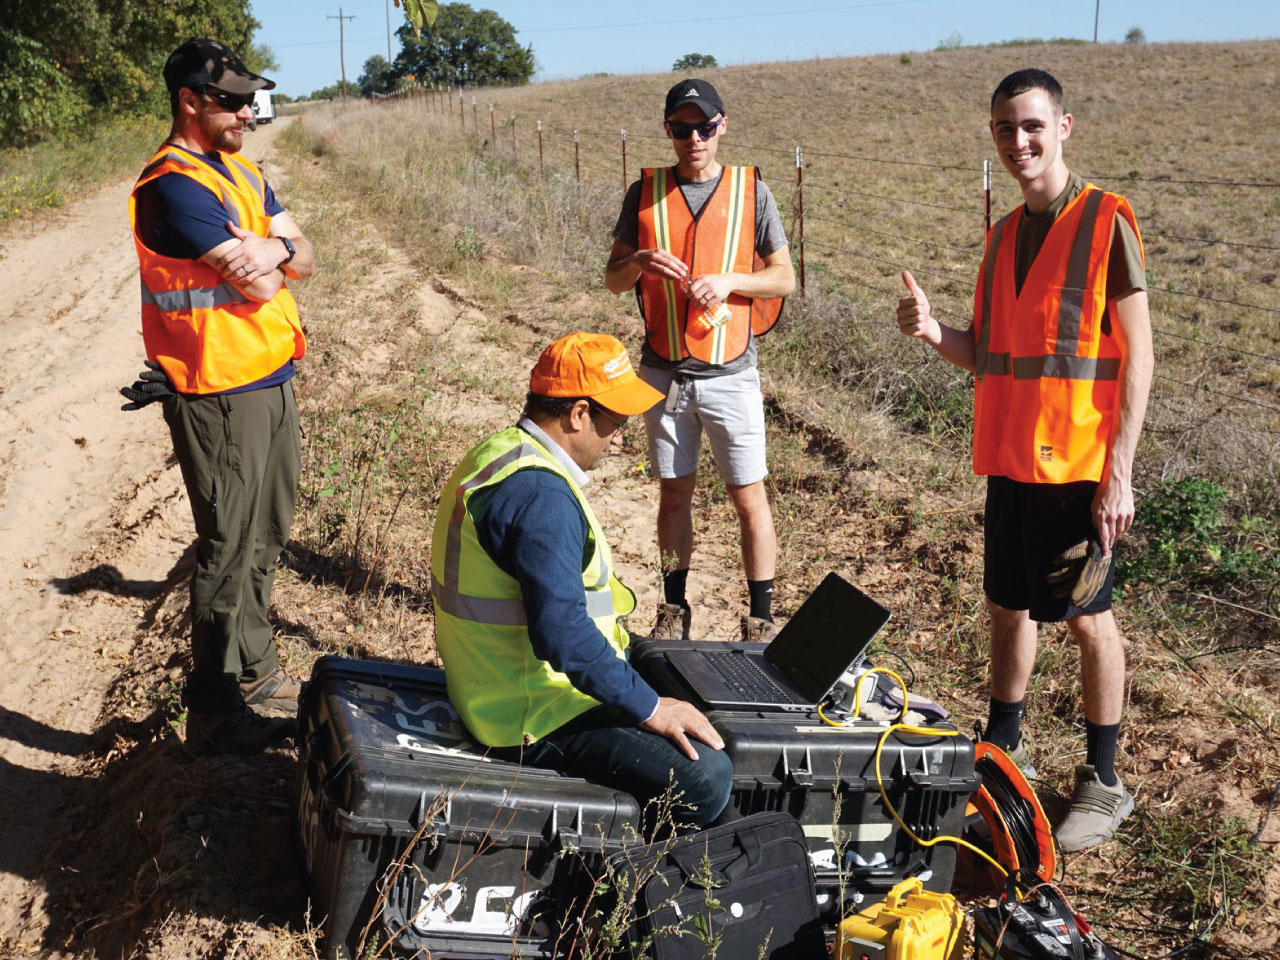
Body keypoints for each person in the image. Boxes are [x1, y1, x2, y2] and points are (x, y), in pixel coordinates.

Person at [895, 69, 1153, 851]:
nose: (1020, 142)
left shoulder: (1108, 220)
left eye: (1033, 126)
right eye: (1006, 129)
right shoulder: (1003, 236)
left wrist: (1121, 472)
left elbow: (1140, 358)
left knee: (1087, 619)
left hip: (1080, 468)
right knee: (1008, 607)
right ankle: (1004, 750)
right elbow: (987, 356)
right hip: (1010, 462)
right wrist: (930, 330)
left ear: (1064, 126)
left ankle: (1104, 780)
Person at [430, 333, 732, 832]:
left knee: (700, 688)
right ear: (577, 415)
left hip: (501, 684)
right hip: (531, 712)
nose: (620, 437)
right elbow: (562, 636)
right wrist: (650, 708)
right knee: (708, 780)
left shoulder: (506, 451)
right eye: (616, 422)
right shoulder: (539, 496)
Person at [122, 38, 315, 755]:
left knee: (267, 532)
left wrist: (272, 247)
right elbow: (268, 282)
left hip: (270, 377)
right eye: (231, 99)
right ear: (190, 102)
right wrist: (278, 251)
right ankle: (213, 705)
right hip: (215, 388)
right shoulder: (173, 187)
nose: (246, 110)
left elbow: (304, 256)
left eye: (248, 98)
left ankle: (257, 671)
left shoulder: (241, 169)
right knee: (227, 544)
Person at [605, 79, 796, 643]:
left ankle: (761, 620)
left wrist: (733, 280)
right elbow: (614, 282)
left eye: (705, 127)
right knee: (673, 495)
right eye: (683, 128)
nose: (695, 138)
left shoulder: (750, 191)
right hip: (662, 370)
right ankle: (673, 610)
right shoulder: (643, 192)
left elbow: (784, 277)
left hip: (730, 372)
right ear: (668, 131)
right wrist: (637, 259)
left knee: (748, 496)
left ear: (722, 127)